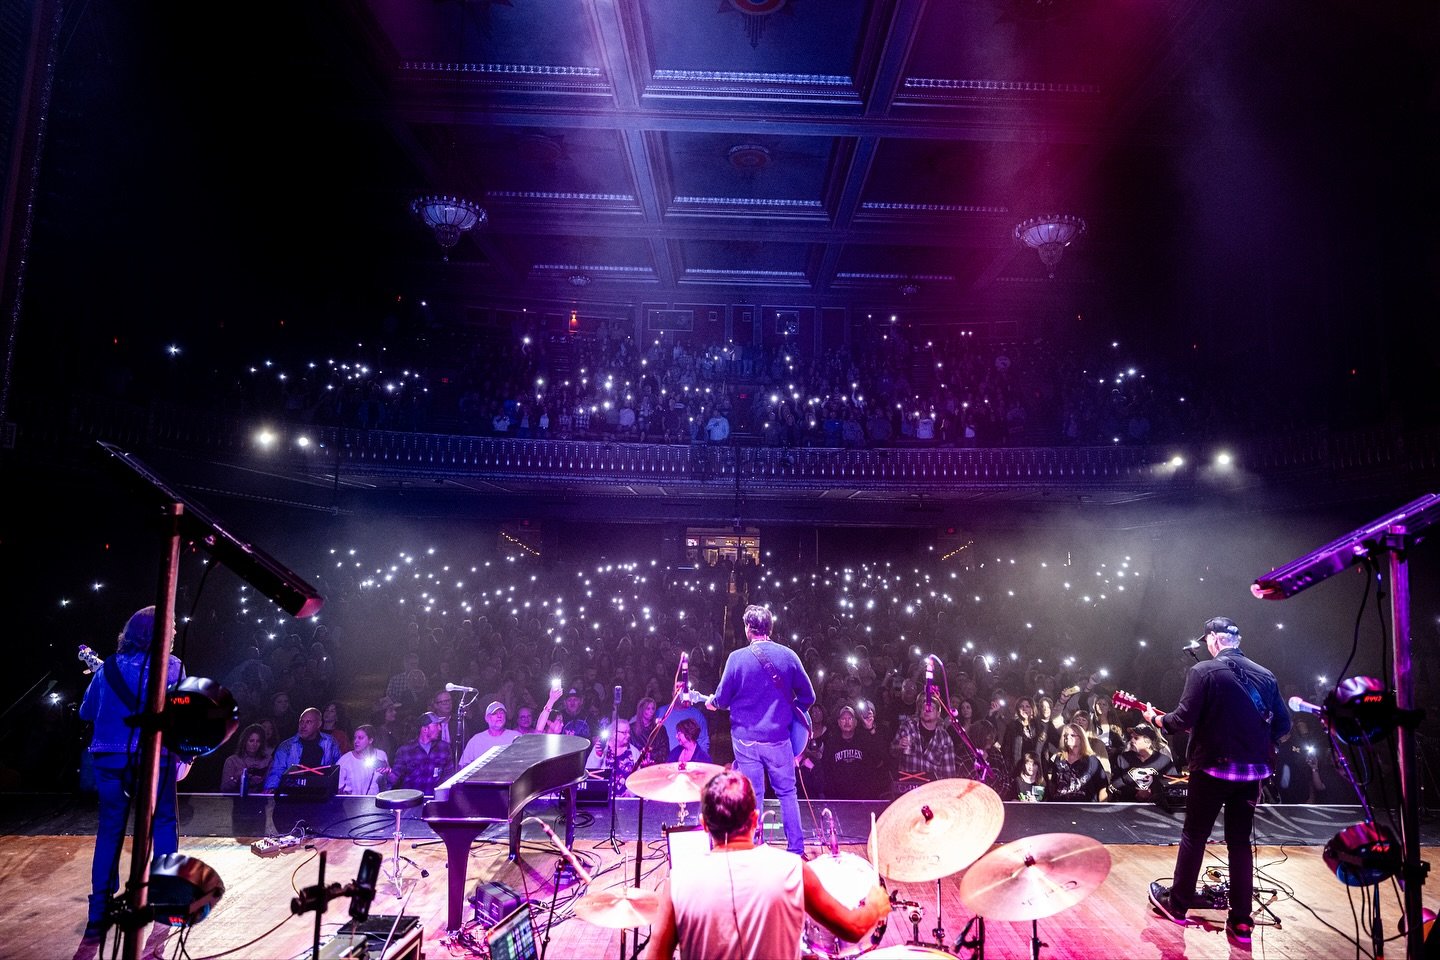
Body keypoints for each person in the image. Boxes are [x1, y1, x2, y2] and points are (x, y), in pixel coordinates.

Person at [1143, 616, 1290, 946]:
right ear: (1237, 640)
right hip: (1252, 773)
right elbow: (1283, 725)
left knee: (1195, 835)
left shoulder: (1203, 671)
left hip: (1212, 769)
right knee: (1239, 841)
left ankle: (1177, 905)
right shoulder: (1266, 675)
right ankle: (1241, 920)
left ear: (1212, 640)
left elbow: (1182, 720)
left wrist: (1155, 718)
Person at [642, 769, 889, 960]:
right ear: (755, 820)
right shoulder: (793, 870)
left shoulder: (679, 881)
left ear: (704, 823)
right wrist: (875, 906)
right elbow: (853, 928)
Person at [78, 606, 186, 939]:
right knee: (164, 826)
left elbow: (86, 712)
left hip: (111, 759)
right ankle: (167, 904)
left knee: (110, 831)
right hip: (157, 759)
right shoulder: (173, 667)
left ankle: (98, 912)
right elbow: (182, 713)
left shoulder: (107, 667)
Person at [706, 605, 815, 856]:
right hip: (778, 738)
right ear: (771, 627)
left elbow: (721, 700)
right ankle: (796, 850)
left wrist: (712, 703)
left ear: (747, 629)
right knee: (787, 792)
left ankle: (751, 849)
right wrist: (790, 713)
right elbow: (809, 696)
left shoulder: (736, 658)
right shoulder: (788, 656)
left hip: (745, 740)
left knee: (752, 795)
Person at [262, 707, 342, 793]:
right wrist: (270, 789)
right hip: (293, 794)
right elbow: (276, 772)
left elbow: (338, 768)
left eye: (308, 722)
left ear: (319, 724)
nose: (303, 726)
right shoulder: (286, 746)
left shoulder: (330, 742)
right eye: (301, 722)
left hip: (321, 793)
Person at [891, 695, 960, 796]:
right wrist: (899, 746)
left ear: (938, 713)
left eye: (931, 708)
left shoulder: (944, 738)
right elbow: (892, 751)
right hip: (907, 790)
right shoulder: (908, 727)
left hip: (933, 792)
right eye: (924, 708)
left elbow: (949, 774)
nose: (927, 710)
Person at [820, 704, 888, 800]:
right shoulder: (832, 743)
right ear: (839, 722)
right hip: (838, 798)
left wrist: (871, 729)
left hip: (862, 797)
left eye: (850, 718)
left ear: (856, 722)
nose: (847, 722)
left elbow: (880, 757)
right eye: (843, 719)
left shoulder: (864, 740)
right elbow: (826, 769)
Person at [391, 711, 456, 796]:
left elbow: (449, 777)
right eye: (436, 725)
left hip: (435, 801)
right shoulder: (405, 751)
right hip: (411, 801)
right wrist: (388, 772)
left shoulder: (444, 748)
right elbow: (394, 779)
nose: (440, 728)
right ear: (425, 729)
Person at [1110, 723, 1176, 803]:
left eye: (1136, 738)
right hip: (1128, 805)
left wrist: (1152, 793)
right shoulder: (1122, 758)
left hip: (1157, 807)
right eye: (1131, 737)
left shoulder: (1164, 761)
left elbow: (1173, 784)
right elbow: (1115, 782)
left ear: (1148, 743)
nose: (1132, 741)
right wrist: (1136, 793)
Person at [1046, 723, 1107, 802]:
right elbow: (1054, 785)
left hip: (1085, 809)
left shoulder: (1092, 760)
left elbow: (1102, 788)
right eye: (1066, 735)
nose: (1068, 737)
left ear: (1081, 738)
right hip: (1061, 808)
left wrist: (1102, 810)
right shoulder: (1059, 759)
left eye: (1072, 735)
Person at [587, 717, 641, 798]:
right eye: (624, 733)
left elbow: (639, 777)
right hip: (604, 799)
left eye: (629, 732)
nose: (628, 735)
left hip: (626, 801)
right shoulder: (601, 748)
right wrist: (598, 755)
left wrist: (631, 792)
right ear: (614, 733)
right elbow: (588, 772)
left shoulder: (634, 752)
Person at [337, 724, 392, 796]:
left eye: (360, 738)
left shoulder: (381, 755)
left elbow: (389, 782)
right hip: (352, 804)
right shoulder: (344, 760)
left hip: (376, 803)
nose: (356, 741)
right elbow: (338, 787)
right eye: (355, 738)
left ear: (370, 740)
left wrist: (388, 771)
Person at [459, 701, 520, 765]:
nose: (499, 716)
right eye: (494, 713)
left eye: (502, 713)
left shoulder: (515, 736)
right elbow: (463, 765)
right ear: (487, 718)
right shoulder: (476, 740)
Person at [220, 723, 272, 794]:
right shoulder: (232, 761)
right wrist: (237, 778)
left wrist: (262, 782)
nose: (255, 744)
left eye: (258, 741)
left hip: (260, 800)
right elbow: (224, 788)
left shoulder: (267, 760)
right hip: (236, 801)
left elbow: (271, 785)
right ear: (244, 741)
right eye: (251, 741)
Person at [630, 696, 670, 767]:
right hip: (637, 767)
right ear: (641, 710)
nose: (651, 711)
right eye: (648, 709)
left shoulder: (660, 729)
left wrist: (650, 756)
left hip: (655, 766)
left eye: (653, 709)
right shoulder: (631, 729)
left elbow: (665, 751)